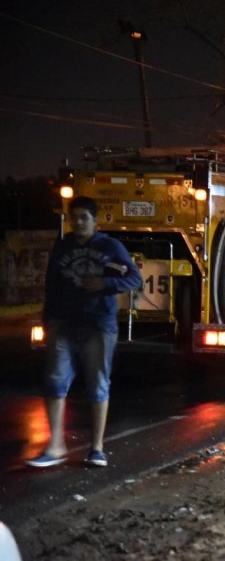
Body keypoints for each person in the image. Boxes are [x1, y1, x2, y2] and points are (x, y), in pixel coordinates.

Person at [26, 196, 141, 468]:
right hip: (64, 323)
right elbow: (52, 281)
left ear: (95, 221)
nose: (78, 222)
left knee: (97, 384)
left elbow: (134, 278)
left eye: (84, 218)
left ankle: (97, 449)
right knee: (55, 380)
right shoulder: (63, 245)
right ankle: (55, 446)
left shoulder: (110, 246)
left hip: (98, 325)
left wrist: (105, 282)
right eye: (74, 217)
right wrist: (48, 317)